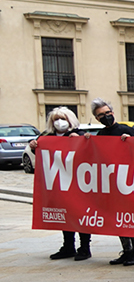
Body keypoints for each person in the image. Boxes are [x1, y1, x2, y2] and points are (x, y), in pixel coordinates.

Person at [88, 98, 134, 267]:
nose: (105, 116)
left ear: (112, 113)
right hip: (111, 183)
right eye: (101, 115)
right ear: (97, 118)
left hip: (128, 181)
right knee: (117, 218)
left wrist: (131, 141)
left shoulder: (126, 129)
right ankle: (126, 250)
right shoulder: (101, 135)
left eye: (107, 113)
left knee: (129, 216)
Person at [33, 108, 91, 261]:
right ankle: (68, 246)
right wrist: (34, 146)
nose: (59, 122)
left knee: (80, 214)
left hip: (78, 182)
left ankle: (85, 247)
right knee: (65, 214)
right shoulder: (47, 136)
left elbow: (89, 151)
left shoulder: (77, 133)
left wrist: (79, 139)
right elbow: (41, 154)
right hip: (59, 183)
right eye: (56, 119)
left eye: (63, 118)